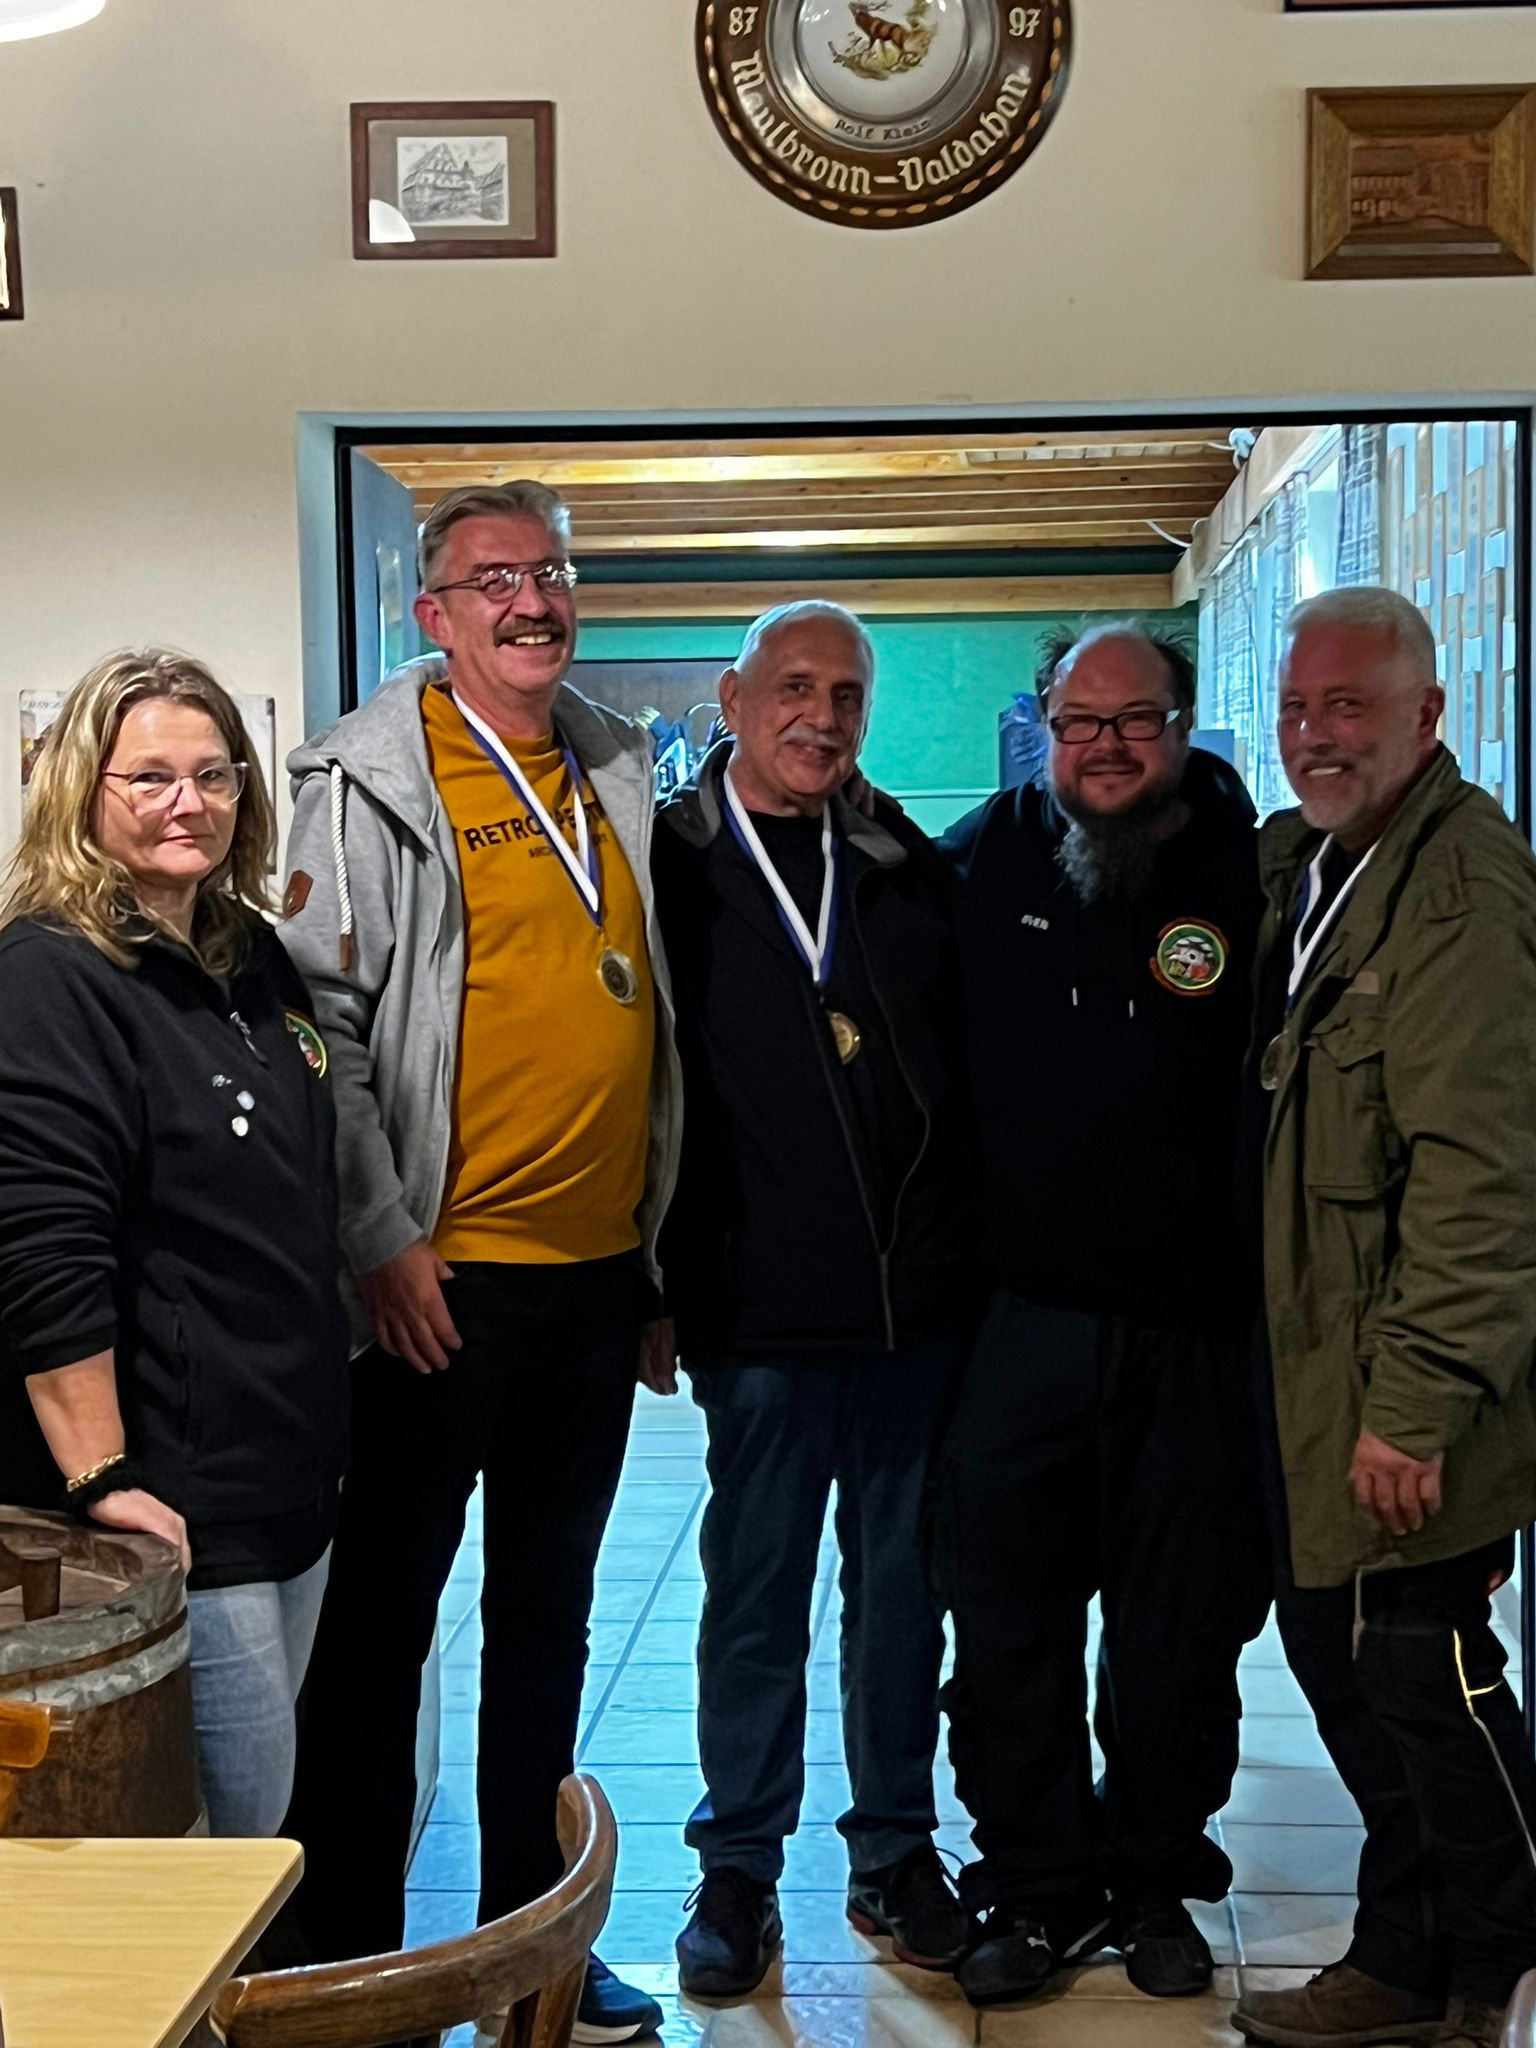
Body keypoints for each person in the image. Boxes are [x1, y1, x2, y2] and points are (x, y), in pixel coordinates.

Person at [279, 482, 681, 2044]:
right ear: (433, 613)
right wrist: (381, 1239)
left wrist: (652, 1271)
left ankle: (534, 1948)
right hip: (436, 1290)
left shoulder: (615, 763)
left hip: (591, 1287)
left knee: (547, 1626)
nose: (532, 599)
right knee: (379, 1640)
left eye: (550, 571)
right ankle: (354, 1971)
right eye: (493, 577)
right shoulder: (368, 780)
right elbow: (321, 1031)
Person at [934, 624, 1272, 2001]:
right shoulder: (972, 868)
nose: (1109, 746)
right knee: (1007, 1621)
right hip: (1021, 1324)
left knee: (1179, 1628)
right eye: (1082, 721)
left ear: (1183, 725)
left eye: (1138, 720)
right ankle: (1033, 1880)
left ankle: (1152, 1873)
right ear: (1044, 725)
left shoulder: (1259, 871)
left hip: (1198, 1327)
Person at [652, 602, 976, 1998]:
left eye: (846, 694)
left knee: (901, 1598)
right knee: (757, 1596)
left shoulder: (904, 865)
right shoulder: (664, 868)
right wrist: (656, 1280)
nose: (822, 716)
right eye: (794, 687)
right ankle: (738, 1866)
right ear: (733, 700)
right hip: (755, 1306)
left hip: (910, 1308)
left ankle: (895, 1848)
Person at [1230, 587, 1536, 2048]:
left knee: (1426, 1672)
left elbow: (1486, 1183)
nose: (1316, 734)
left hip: (1400, 1394)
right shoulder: (1322, 864)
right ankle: (1412, 1956)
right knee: (1352, 1658)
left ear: (1428, 714)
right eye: (1299, 706)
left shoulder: (1459, 896)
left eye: (1348, 705)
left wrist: (1413, 1407)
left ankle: (1494, 1964)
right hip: (1321, 1374)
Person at [0, 649, 349, 1837]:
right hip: (173, 1488)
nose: (187, 802)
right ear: (81, 790)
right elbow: (44, 1244)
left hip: (287, 1464)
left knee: (262, 1807)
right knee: (225, 1834)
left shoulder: (248, 952)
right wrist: (101, 1474)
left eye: (213, 774)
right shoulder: (50, 975)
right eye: (149, 777)